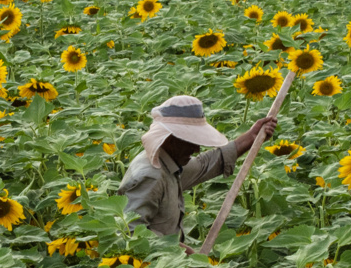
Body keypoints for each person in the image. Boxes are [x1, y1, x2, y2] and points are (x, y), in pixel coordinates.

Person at [118, 95, 277, 250]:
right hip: (150, 266)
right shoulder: (151, 176)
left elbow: (205, 164)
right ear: (170, 139)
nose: (196, 149)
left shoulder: (168, 162)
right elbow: (130, 232)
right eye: (190, 141)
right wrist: (182, 251)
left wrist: (252, 136)